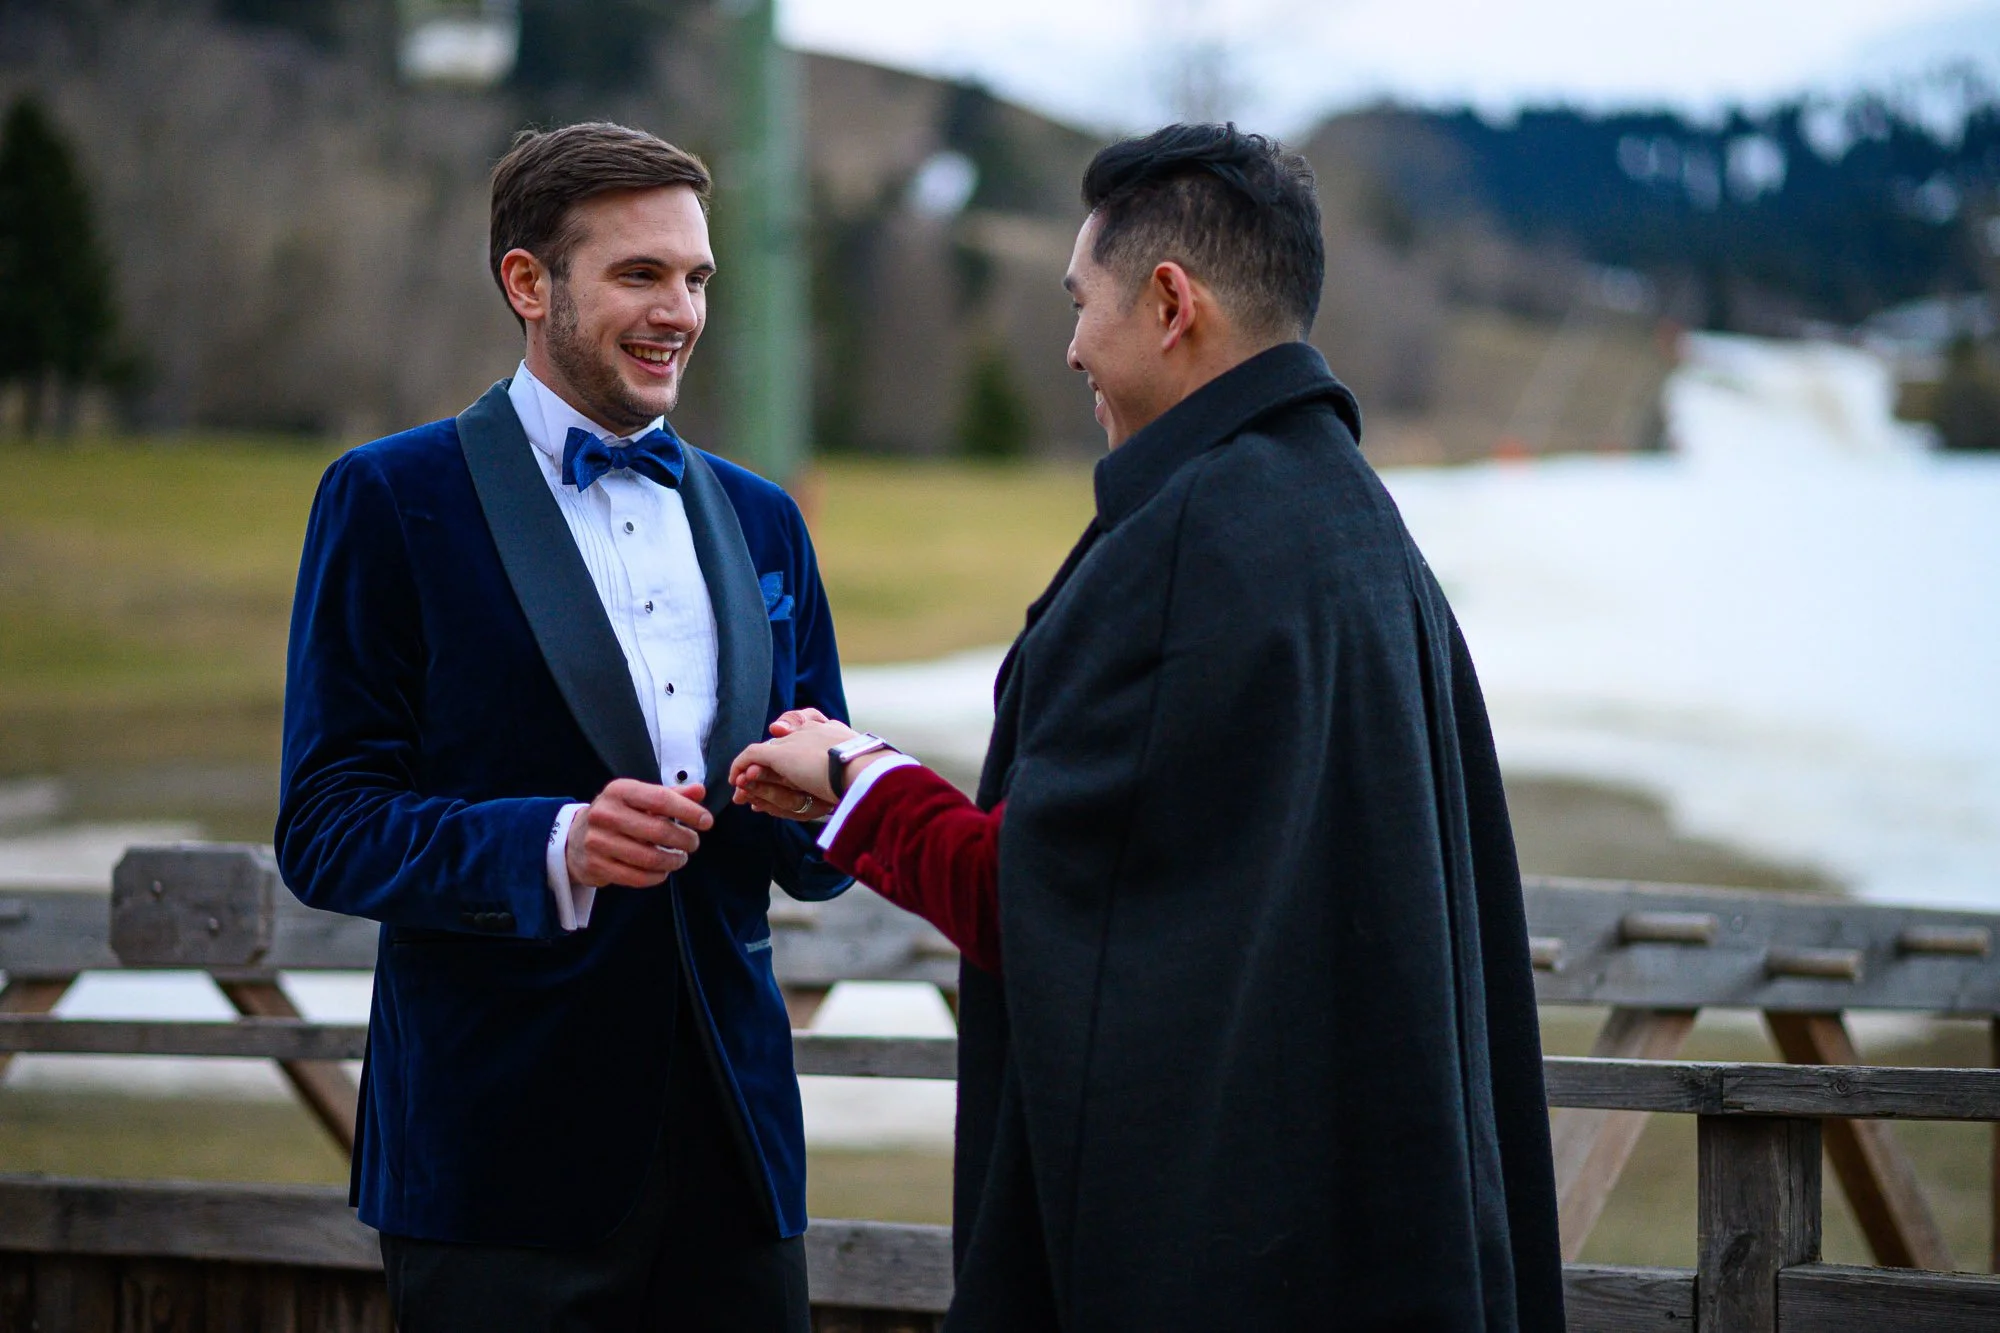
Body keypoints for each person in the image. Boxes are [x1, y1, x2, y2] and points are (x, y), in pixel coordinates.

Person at [731, 124, 1565, 1331]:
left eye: (1081, 304)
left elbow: (1051, 900)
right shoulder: (1358, 526)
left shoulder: (1191, 545)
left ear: (1170, 303)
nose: (1071, 346)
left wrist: (855, 782)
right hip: (1365, 1236)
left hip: (1218, 1259)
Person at [276, 121, 848, 1332]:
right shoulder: (391, 498)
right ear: (526, 283)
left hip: (737, 1158)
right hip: (498, 1165)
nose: (678, 311)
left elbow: (816, 839)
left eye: (695, 277)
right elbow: (327, 826)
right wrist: (557, 843)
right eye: (639, 274)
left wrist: (819, 799)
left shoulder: (762, 520)